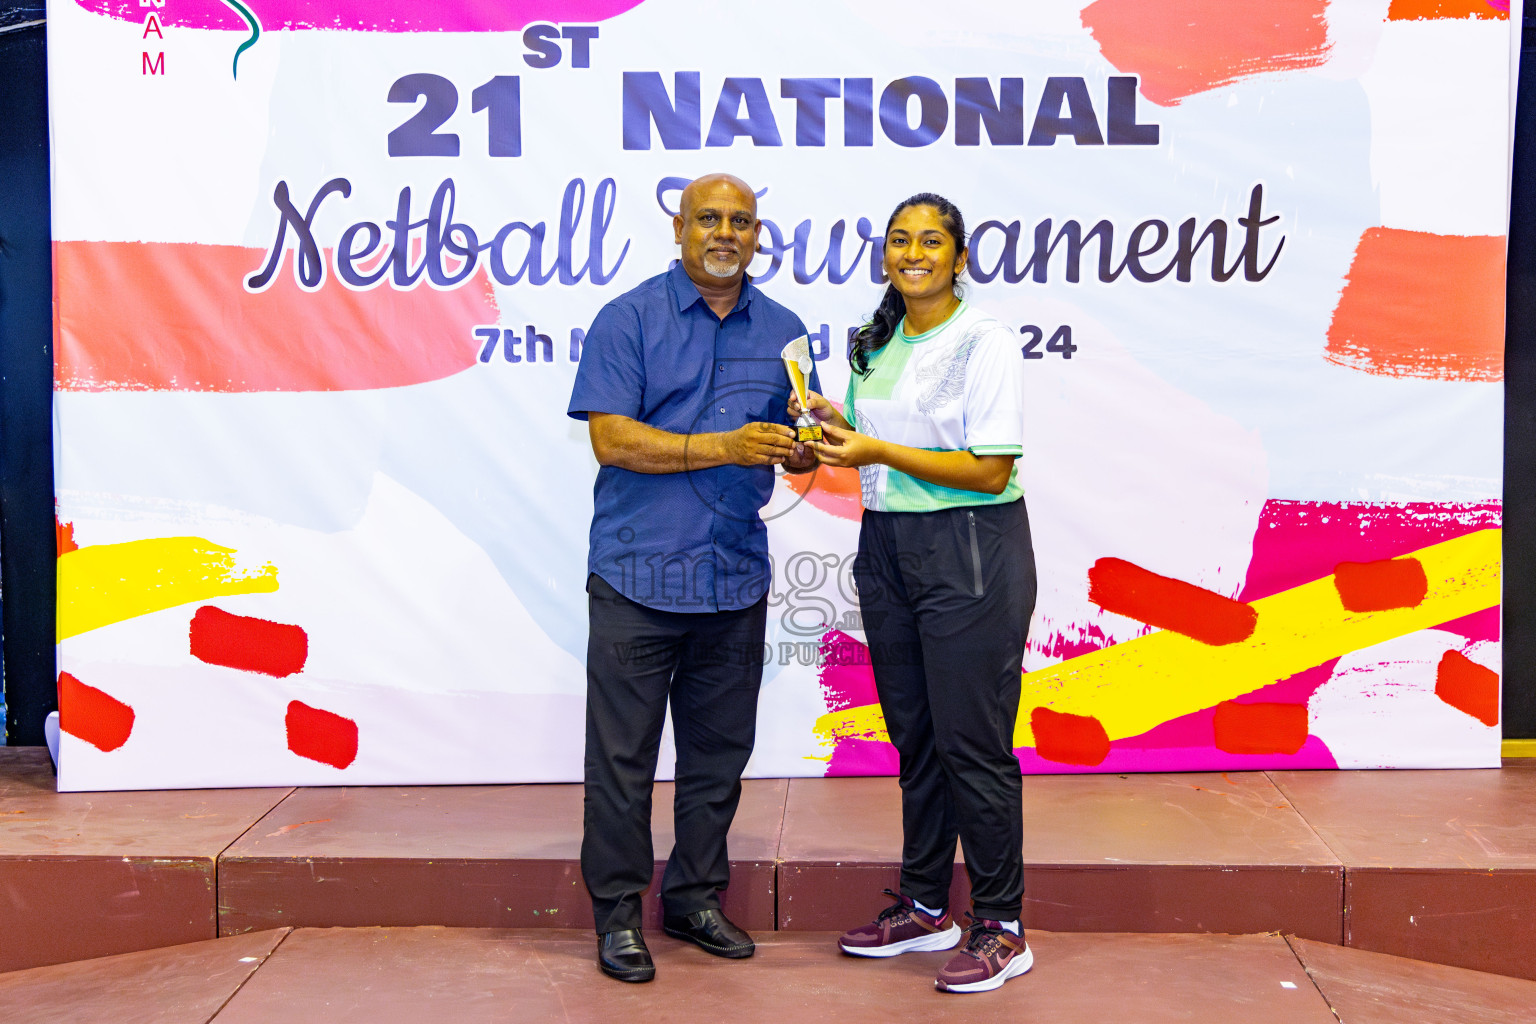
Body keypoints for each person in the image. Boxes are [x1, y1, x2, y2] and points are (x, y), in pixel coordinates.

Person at [567, 172, 818, 983]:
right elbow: (613, 440)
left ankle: (695, 898)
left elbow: (798, 444)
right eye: (708, 218)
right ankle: (617, 916)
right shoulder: (627, 320)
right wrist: (725, 447)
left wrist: (810, 445)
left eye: (741, 221)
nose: (725, 233)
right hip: (637, 579)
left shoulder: (784, 329)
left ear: (757, 235)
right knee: (622, 761)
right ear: (679, 228)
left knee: (717, 757)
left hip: (734, 581)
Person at [794, 193, 1036, 994]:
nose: (914, 252)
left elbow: (989, 467)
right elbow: (878, 455)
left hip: (970, 548)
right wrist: (835, 422)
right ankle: (929, 906)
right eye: (900, 240)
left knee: (974, 745)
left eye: (931, 240)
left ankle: (1002, 925)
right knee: (918, 741)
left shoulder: (985, 340)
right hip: (890, 548)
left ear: (959, 256)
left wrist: (877, 446)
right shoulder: (879, 340)